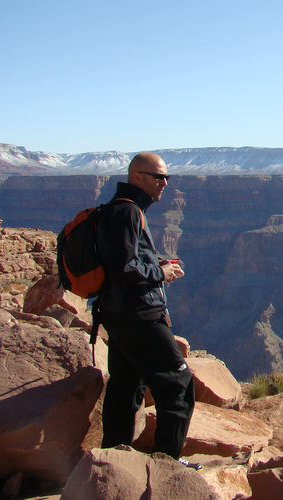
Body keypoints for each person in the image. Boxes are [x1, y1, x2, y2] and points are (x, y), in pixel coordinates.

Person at [96, 152, 196, 463]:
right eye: (158, 177)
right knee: (179, 385)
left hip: (118, 314)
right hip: (139, 315)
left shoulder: (121, 210)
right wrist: (161, 273)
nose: (165, 183)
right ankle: (166, 466)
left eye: (167, 177)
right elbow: (123, 269)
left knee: (126, 389)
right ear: (137, 177)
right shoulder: (127, 212)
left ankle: (114, 463)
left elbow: (124, 260)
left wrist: (156, 262)